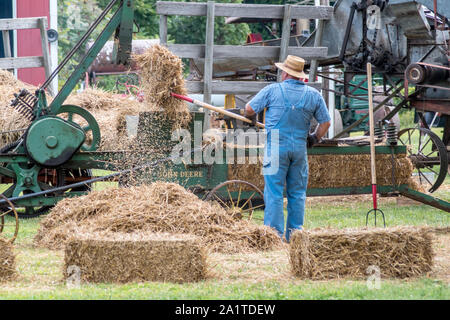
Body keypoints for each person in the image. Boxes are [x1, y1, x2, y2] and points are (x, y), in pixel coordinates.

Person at [244, 55, 331, 242]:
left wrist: (253, 118)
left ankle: (274, 236)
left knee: (274, 192)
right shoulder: (313, 95)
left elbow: (249, 108)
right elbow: (326, 122)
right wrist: (315, 137)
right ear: (300, 75)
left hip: (275, 147)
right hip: (300, 148)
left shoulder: (272, 90)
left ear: (284, 73)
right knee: (297, 193)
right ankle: (295, 235)